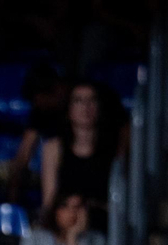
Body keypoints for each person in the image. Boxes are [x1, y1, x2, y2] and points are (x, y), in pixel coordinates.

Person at [40, 83, 121, 230]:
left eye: (92, 100)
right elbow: (49, 202)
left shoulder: (115, 148)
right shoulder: (53, 148)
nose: (85, 107)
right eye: (78, 100)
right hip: (64, 226)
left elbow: (119, 201)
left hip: (104, 228)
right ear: (69, 109)